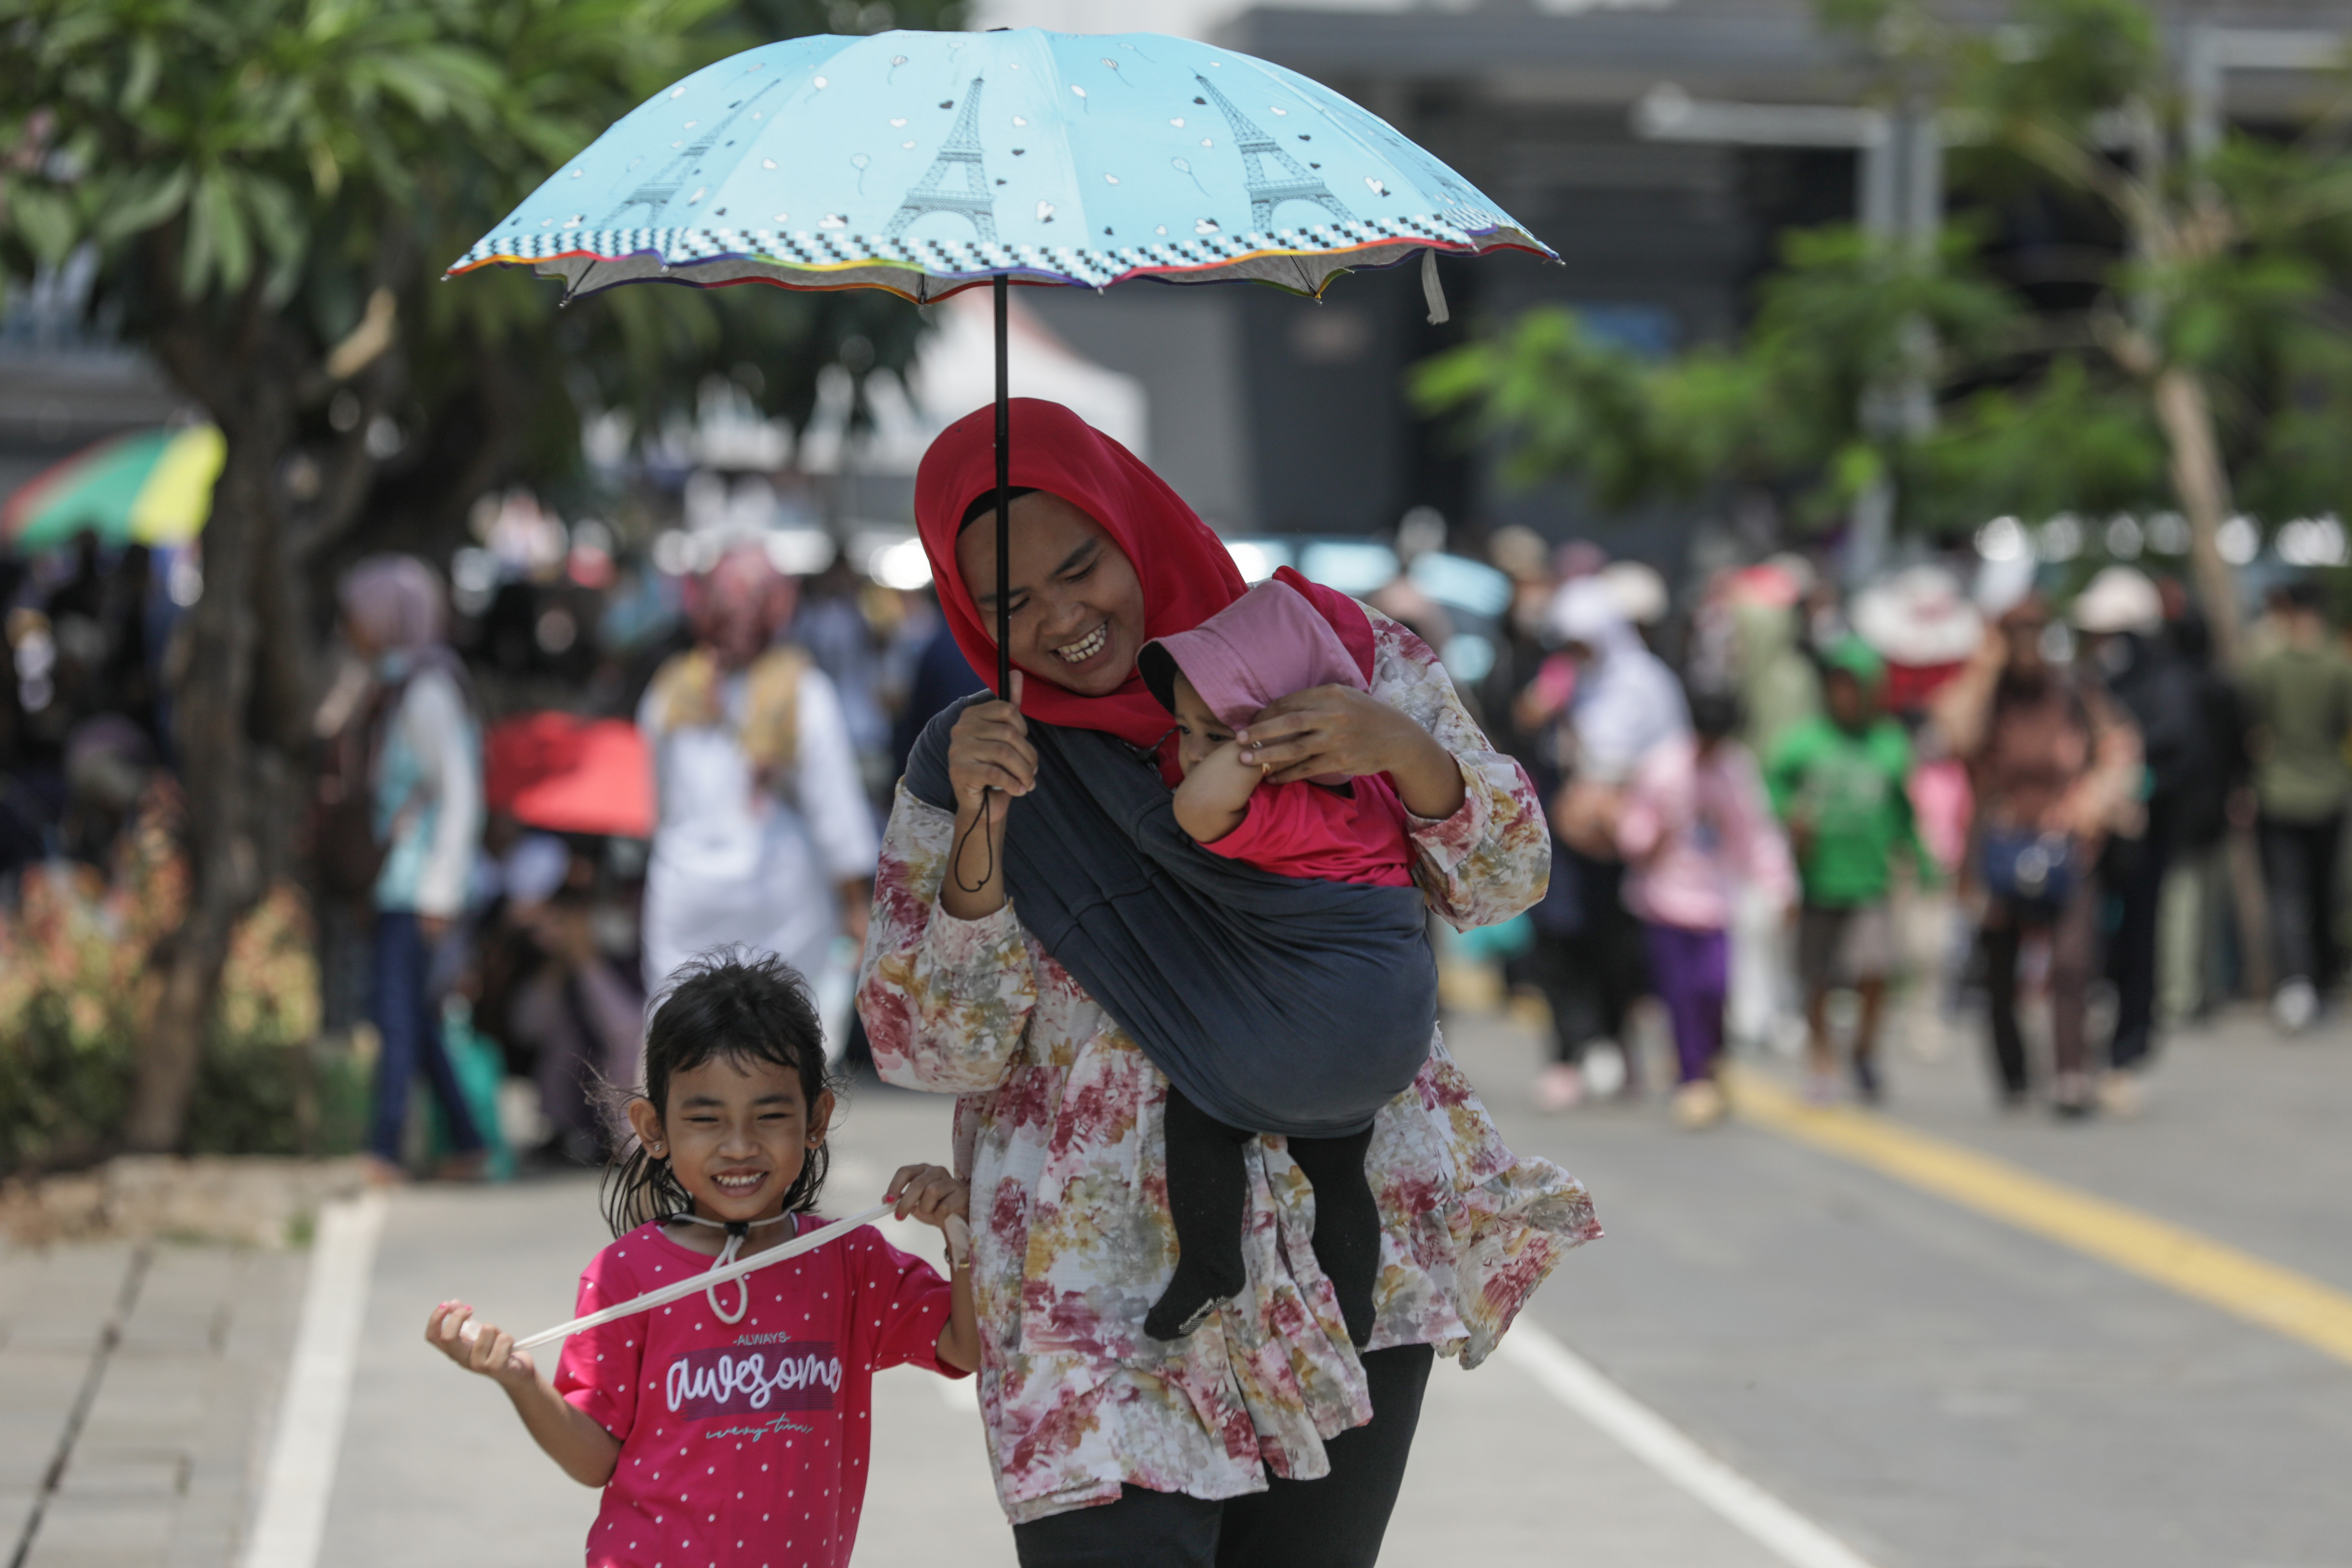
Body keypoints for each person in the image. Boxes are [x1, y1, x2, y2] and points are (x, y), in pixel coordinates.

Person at [859, 399, 1597, 1566]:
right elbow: (931, 1048)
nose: (1061, 619)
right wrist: (980, 848)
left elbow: (1508, 878)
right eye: (1010, 604)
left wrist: (1402, 753)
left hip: (1336, 1242)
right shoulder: (970, 760)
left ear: (1129, 521)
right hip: (1090, 1286)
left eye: (1081, 565)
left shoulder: (1328, 654)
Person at [425, 951, 979, 1568]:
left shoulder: (848, 1261)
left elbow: (964, 1346)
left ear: (816, 1119)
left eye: (770, 1116)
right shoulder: (625, 1275)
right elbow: (593, 1458)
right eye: (705, 1120)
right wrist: (521, 1382)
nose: (739, 1147)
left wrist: (959, 1232)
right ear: (653, 1128)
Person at [1133, 577, 1430, 1347]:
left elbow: (1194, 813)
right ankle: (1356, 1310)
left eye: (1211, 733)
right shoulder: (1374, 794)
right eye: (1186, 730)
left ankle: (1210, 1261)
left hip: (1312, 1025)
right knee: (1338, 1167)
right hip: (1390, 1032)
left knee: (1203, 1108)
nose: (1190, 751)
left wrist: (1248, 753)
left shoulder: (1277, 808)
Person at [639, 546, 879, 1037]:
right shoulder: (803, 689)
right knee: (778, 1042)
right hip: (780, 896)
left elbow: (653, 802)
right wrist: (856, 905)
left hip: (684, 890)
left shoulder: (668, 690)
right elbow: (835, 807)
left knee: (682, 1043)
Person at [1932, 599, 2142, 1116]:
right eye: (2016, 635)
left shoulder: (2071, 691)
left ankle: (2071, 1071)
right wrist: (1986, 664)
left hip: (2063, 846)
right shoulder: (1990, 696)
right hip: (2001, 845)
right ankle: (2013, 1073)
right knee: (1998, 966)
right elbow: (1951, 734)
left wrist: (2087, 804)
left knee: (2072, 961)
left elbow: (2119, 748)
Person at [339, 555, 487, 1183]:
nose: (353, 630)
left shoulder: (427, 692)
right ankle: (465, 1142)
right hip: (396, 882)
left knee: (397, 1016)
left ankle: (386, 1148)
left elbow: (459, 792)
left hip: (417, 886)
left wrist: (439, 891)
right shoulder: (392, 684)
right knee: (415, 1019)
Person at [1617, 688, 1795, 1128]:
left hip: (1714, 900)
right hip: (1665, 899)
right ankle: (1692, 1077)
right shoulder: (1663, 767)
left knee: (1713, 988)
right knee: (1679, 993)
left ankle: (1710, 1059)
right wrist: (1645, 842)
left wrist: (1779, 885)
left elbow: (1755, 832)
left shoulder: (1736, 772)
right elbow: (1636, 824)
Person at [1766, 637, 1927, 1105]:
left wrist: (1922, 859)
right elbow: (1773, 785)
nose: (1845, 695)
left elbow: (1905, 810)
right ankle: (1821, 1059)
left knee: (1876, 968)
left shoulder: (1889, 742)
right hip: (1818, 877)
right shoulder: (1807, 740)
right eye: (1837, 685)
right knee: (1816, 974)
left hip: (1870, 878)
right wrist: (1791, 813)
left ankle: (1864, 1048)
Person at [2071, 566, 2199, 1104]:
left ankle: (2128, 1046)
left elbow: (2177, 751)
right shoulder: (2097, 682)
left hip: (2147, 839)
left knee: (2138, 941)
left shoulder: (2165, 682)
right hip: (2095, 835)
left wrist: (2136, 782)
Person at [2238, 578, 2352, 1032]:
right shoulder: (2339, 665)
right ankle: (2323, 977)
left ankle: (2297, 983)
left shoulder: (2266, 664)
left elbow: (2249, 724)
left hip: (2279, 792)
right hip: (2329, 790)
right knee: (2325, 892)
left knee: (2287, 894)